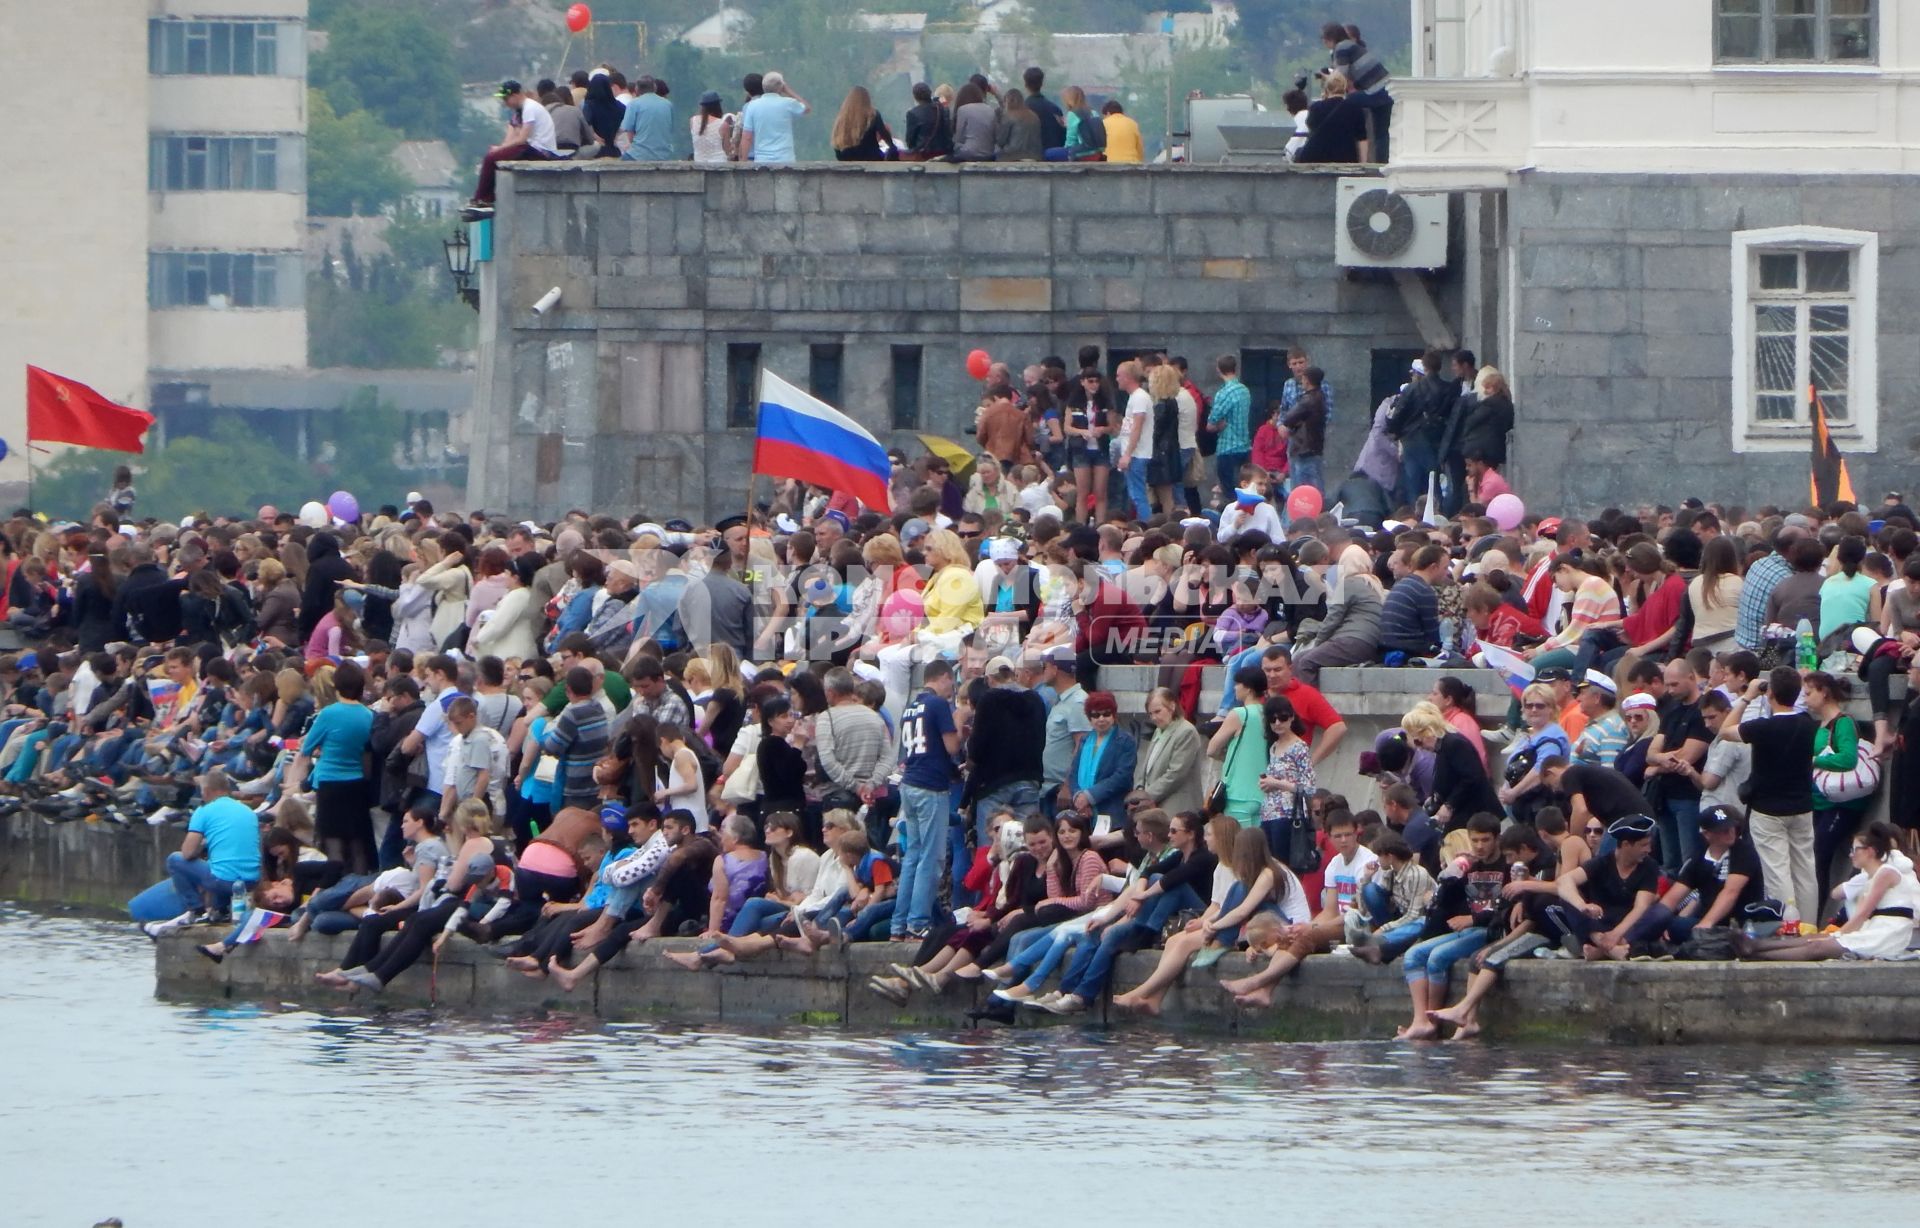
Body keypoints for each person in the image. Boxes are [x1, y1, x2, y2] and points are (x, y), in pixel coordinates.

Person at [1718, 667, 1820, 926]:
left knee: (1778, 874)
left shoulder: (1763, 727)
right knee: (1805, 871)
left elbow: (1725, 730)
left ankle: (1789, 928)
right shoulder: (1809, 725)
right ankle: (1809, 926)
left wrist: (1746, 697)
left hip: (1768, 810)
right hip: (1802, 806)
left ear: (1770, 693)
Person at [1734, 821, 1918, 961]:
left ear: (1870, 851)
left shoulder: (1886, 872)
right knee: (1817, 938)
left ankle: (1757, 953)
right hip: (1875, 930)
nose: (1851, 854)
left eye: (1855, 850)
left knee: (1818, 948)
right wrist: (1835, 935)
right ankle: (1757, 944)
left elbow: (1863, 913)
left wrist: (1838, 934)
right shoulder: (1870, 876)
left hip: (1887, 934)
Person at [894, 659, 959, 940]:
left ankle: (899, 924)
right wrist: (961, 723)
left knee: (913, 856)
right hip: (931, 786)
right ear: (943, 677)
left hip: (909, 784)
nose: (952, 690)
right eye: (951, 683)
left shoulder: (910, 707)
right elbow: (951, 746)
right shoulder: (938, 705)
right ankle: (918, 921)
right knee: (931, 858)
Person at [147, 769, 260, 930]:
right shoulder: (249, 812)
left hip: (223, 881)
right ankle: (221, 911)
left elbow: (187, 852)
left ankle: (195, 910)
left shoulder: (203, 811)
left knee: (175, 859)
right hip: (251, 881)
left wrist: (203, 844)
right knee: (221, 865)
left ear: (206, 791)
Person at [1542, 814, 1662, 961]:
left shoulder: (1649, 866)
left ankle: (1600, 951)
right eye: (1643, 845)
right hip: (1599, 922)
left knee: (1658, 914)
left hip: (1628, 924)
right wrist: (1583, 906)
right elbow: (1564, 881)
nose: (1648, 849)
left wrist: (1616, 934)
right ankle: (1609, 949)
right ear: (1625, 845)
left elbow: (1640, 907)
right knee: (1568, 899)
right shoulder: (1602, 862)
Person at [470, 81, 562, 209]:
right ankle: (487, 197)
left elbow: (521, 139)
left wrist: (500, 149)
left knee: (490, 159)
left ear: (517, 94)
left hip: (540, 151)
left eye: (507, 99)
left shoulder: (529, 108)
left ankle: (482, 199)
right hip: (535, 148)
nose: (505, 103)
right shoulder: (524, 109)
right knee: (494, 157)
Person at [1137, 687, 1204, 815]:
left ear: (1172, 706)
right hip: (1155, 806)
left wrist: (1146, 796)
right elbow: (1146, 769)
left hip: (1178, 807)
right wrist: (1139, 792)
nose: (1154, 718)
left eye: (1157, 711)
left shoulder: (1186, 731)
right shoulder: (1158, 730)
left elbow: (1176, 773)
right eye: (1150, 714)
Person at [739, 71, 809, 164]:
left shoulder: (752, 106)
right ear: (781, 86)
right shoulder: (788, 103)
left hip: (762, 160)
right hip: (786, 158)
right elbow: (806, 108)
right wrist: (788, 91)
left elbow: (747, 137)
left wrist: (743, 162)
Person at [830, 86, 894, 161]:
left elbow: (836, 143)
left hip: (848, 158)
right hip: (871, 158)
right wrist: (892, 147)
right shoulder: (872, 115)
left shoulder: (842, 119)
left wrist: (842, 159)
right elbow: (884, 134)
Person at [948, 82, 996, 161]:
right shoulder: (990, 109)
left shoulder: (962, 109)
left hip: (968, 153)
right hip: (988, 153)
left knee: (955, 147)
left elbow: (959, 138)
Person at [994, 89, 1043, 161]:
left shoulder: (1009, 116)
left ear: (1008, 102)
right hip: (1035, 156)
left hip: (1013, 155)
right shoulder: (1034, 115)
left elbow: (1001, 141)